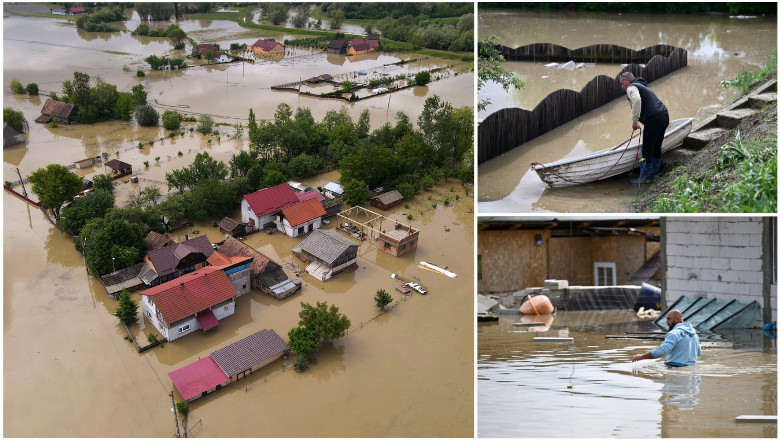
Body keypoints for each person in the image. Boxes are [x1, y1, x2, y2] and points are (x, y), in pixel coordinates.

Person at [618, 71, 670, 184]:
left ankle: (644, 178)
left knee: (647, 149)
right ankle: (654, 174)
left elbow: (636, 100)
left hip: (653, 119)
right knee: (656, 146)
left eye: (622, 83)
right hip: (664, 115)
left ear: (628, 81)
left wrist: (635, 121)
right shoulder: (641, 85)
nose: (622, 87)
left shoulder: (631, 87)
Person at [632, 309, 701, 366]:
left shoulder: (674, 333)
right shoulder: (695, 335)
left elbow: (662, 351)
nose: (667, 322)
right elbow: (698, 353)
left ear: (677, 318)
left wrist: (642, 357)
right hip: (691, 368)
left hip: (674, 368)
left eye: (669, 319)